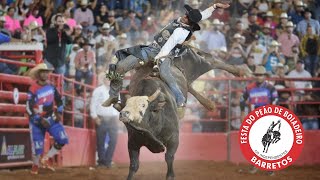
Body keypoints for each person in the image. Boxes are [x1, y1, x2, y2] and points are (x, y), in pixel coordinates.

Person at [103, 2, 231, 109]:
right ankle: (114, 96)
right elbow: (202, 15)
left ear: (189, 22)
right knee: (120, 66)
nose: (184, 16)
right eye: (186, 14)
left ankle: (180, 98)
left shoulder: (180, 32)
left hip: (164, 55)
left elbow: (168, 46)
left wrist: (159, 59)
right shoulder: (185, 22)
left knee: (166, 75)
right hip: (150, 49)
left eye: (187, 16)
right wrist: (214, 6)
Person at [26, 63, 69, 175]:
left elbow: (59, 100)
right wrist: (39, 120)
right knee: (37, 148)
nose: (45, 74)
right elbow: (29, 108)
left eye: (46, 72)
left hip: (51, 118)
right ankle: (35, 165)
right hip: (36, 121)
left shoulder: (52, 86)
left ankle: (47, 158)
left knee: (62, 139)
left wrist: (59, 112)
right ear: (38, 74)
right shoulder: (32, 89)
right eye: (43, 72)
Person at [240, 65, 278, 175]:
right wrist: (242, 113)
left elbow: (275, 102)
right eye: (256, 75)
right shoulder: (249, 88)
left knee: (268, 143)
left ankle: (270, 167)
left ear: (264, 76)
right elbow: (242, 100)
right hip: (253, 118)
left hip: (267, 117)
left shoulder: (271, 88)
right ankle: (254, 165)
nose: (258, 77)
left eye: (260, 75)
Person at [90, 78, 119, 167]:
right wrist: (95, 117)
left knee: (113, 141)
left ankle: (108, 160)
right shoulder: (98, 90)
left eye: (111, 79)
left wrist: (118, 116)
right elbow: (93, 104)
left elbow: (118, 104)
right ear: (104, 80)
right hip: (101, 119)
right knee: (100, 141)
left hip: (113, 119)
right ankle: (101, 162)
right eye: (107, 79)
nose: (109, 81)